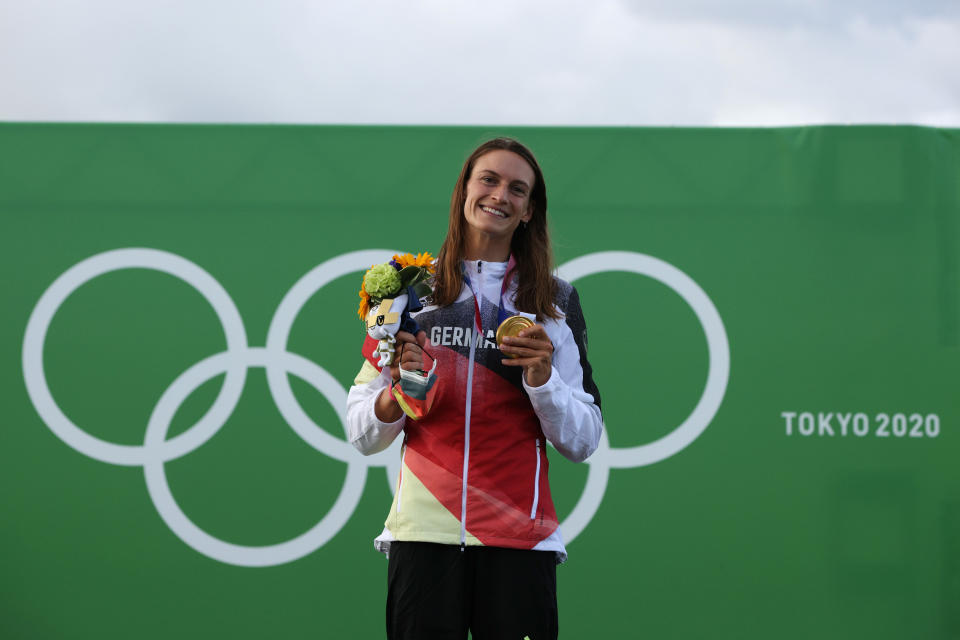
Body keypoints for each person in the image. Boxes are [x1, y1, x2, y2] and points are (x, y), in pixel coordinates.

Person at [346, 137, 603, 640]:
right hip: (422, 536)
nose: (500, 195)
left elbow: (584, 440)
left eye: (517, 189)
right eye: (489, 179)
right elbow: (362, 433)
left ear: (530, 210)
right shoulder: (409, 292)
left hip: (519, 540)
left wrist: (543, 382)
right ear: (464, 189)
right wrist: (399, 387)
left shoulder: (553, 302)